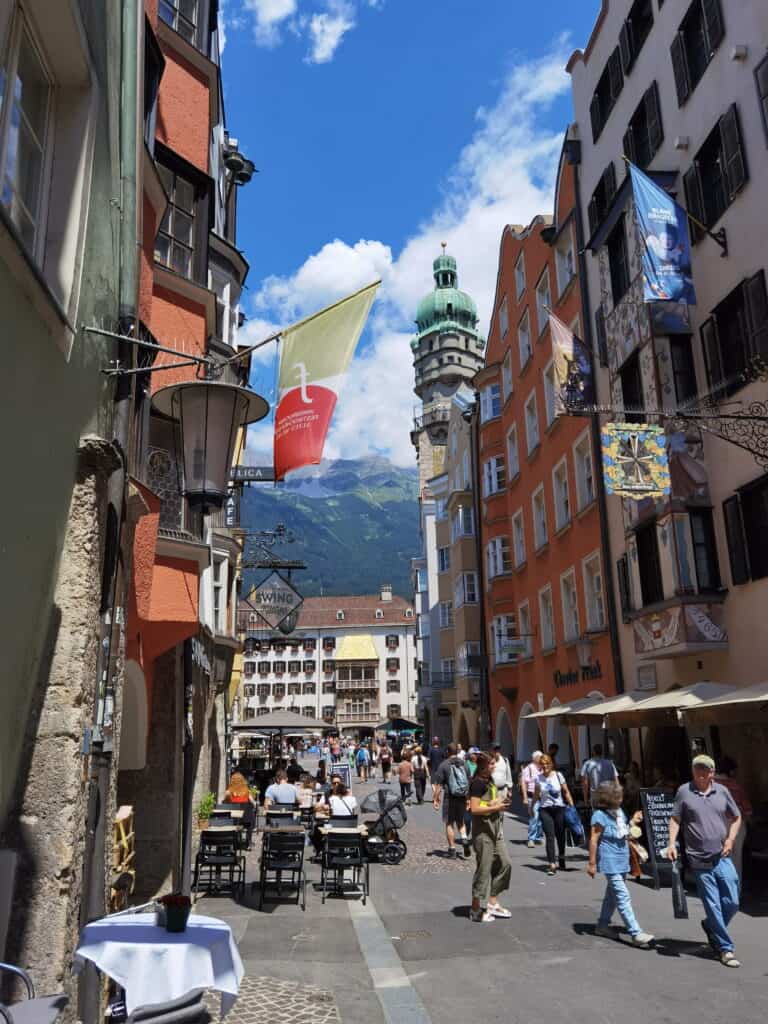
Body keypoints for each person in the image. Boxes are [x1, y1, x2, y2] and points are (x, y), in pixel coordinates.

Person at [667, 754, 742, 968]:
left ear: (712, 772)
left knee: (732, 901)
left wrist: (730, 839)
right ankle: (725, 948)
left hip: (722, 855)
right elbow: (675, 819)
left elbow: (736, 817)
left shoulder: (722, 791)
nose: (700, 773)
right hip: (698, 858)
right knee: (712, 903)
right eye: (697, 769)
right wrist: (671, 843)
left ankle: (711, 926)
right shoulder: (684, 791)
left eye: (705, 770)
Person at [588, 781, 654, 946]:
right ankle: (635, 932)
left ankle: (602, 926)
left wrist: (632, 822)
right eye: (618, 796)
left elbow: (623, 831)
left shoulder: (619, 812)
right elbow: (594, 839)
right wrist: (592, 863)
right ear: (609, 798)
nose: (622, 798)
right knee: (623, 896)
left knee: (611, 896)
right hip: (610, 861)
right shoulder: (599, 816)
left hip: (622, 858)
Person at [469, 753, 513, 923]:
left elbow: (489, 802)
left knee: (505, 864)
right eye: (492, 764)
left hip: (496, 831)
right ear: (484, 766)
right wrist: (495, 807)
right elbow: (474, 808)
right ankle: (475, 909)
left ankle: (493, 902)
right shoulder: (478, 784)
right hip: (483, 832)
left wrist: (501, 802)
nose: (494, 766)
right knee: (484, 870)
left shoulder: (490, 781)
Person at [715, 755, 753, 884]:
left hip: (713, 825)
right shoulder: (736, 786)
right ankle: (735, 891)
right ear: (731, 771)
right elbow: (747, 810)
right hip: (735, 824)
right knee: (735, 859)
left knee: (717, 859)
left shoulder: (707, 786)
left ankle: (720, 888)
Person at [535, 754, 575, 875]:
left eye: (547, 763)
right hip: (545, 810)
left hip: (559, 809)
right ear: (540, 765)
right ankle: (552, 863)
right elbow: (537, 795)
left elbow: (566, 791)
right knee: (550, 836)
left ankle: (561, 857)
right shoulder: (538, 778)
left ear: (551, 764)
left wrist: (572, 806)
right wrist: (531, 807)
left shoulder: (558, 775)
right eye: (542, 764)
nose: (545, 766)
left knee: (560, 835)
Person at [432, 743, 471, 859]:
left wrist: (436, 799)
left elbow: (438, 784)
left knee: (449, 823)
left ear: (448, 752)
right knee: (461, 821)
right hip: (462, 796)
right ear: (457, 752)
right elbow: (468, 782)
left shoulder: (444, 765)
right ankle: (464, 838)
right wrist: (468, 799)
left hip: (450, 797)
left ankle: (452, 850)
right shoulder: (464, 764)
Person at [222, 771, 257, 849]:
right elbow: (253, 803)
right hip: (246, 820)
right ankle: (248, 842)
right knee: (250, 818)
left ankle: (233, 841)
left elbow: (224, 802)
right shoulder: (247, 791)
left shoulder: (228, 792)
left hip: (234, 820)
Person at [520, 751, 544, 848]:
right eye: (540, 757)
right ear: (535, 758)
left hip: (542, 797)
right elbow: (524, 783)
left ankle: (538, 837)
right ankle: (531, 838)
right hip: (531, 796)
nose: (541, 759)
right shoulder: (528, 768)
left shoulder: (543, 768)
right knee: (534, 817)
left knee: (541, 818)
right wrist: (525, 797)